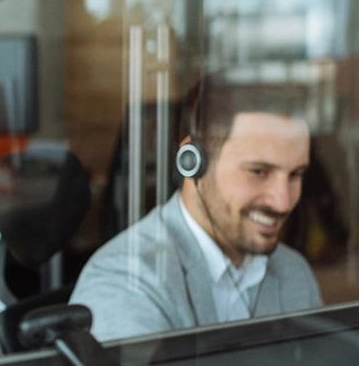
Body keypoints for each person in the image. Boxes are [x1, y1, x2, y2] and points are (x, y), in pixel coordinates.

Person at [72, 80, 322, 341]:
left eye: (296, 175)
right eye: (258, 172)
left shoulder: (292, 272)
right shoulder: (126, 280)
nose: (282, 201)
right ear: (192, 161)